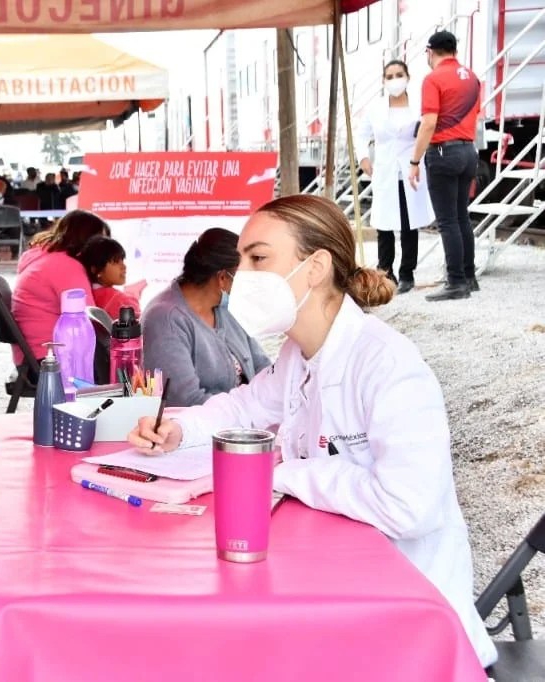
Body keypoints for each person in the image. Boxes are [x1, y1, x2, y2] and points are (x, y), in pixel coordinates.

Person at [129, 194, 497, 669]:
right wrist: (177, 428)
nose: (240, 276)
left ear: (316, 267)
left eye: (258, 258)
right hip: (337, 582)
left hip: (408, 621)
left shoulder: (387, 364)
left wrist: (288, 474)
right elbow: (245, 406)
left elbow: (410, 507)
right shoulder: (297, 354)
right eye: (240, 260)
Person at [141, 228, 270, 408]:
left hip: (246, 422)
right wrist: (248, 413)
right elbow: (185, 400)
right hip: (201, 428)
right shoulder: (165, 319)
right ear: (223, 278)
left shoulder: (227, 309)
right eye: (245, 277)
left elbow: (263, 369)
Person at [409, 30, 481, 301]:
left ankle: (456, 282)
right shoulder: (472, 78)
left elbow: (428, 123)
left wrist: (415, 161)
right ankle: (469, 276)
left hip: (443, 152)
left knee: (448, 220)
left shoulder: (433, 79)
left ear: (430, 51)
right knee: (462, 216)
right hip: (468, 151)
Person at [355, 59, 435, 293]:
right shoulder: (376, 108)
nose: (394, 80)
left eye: (398, 75)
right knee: (385, 224)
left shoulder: (419, 105)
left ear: (408, 77)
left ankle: (407, 272)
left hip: (411, 169)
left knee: (410, 223)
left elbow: (428, 130)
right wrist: (363, 158)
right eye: (389, 77)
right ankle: (385, 272)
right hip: (386, 170)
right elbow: (362, 135)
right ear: (383, 80)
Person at [11, 210, 109, 367]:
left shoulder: (39, 254)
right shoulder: (67, 266)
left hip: (29, 356)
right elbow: (91, 321)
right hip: (52, 359)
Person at [76, 235, 141, 320]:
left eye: (122, 260)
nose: (123, 266)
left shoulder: (84, 294)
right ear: (96, 269)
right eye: (116, 262)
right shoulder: (120, 301)